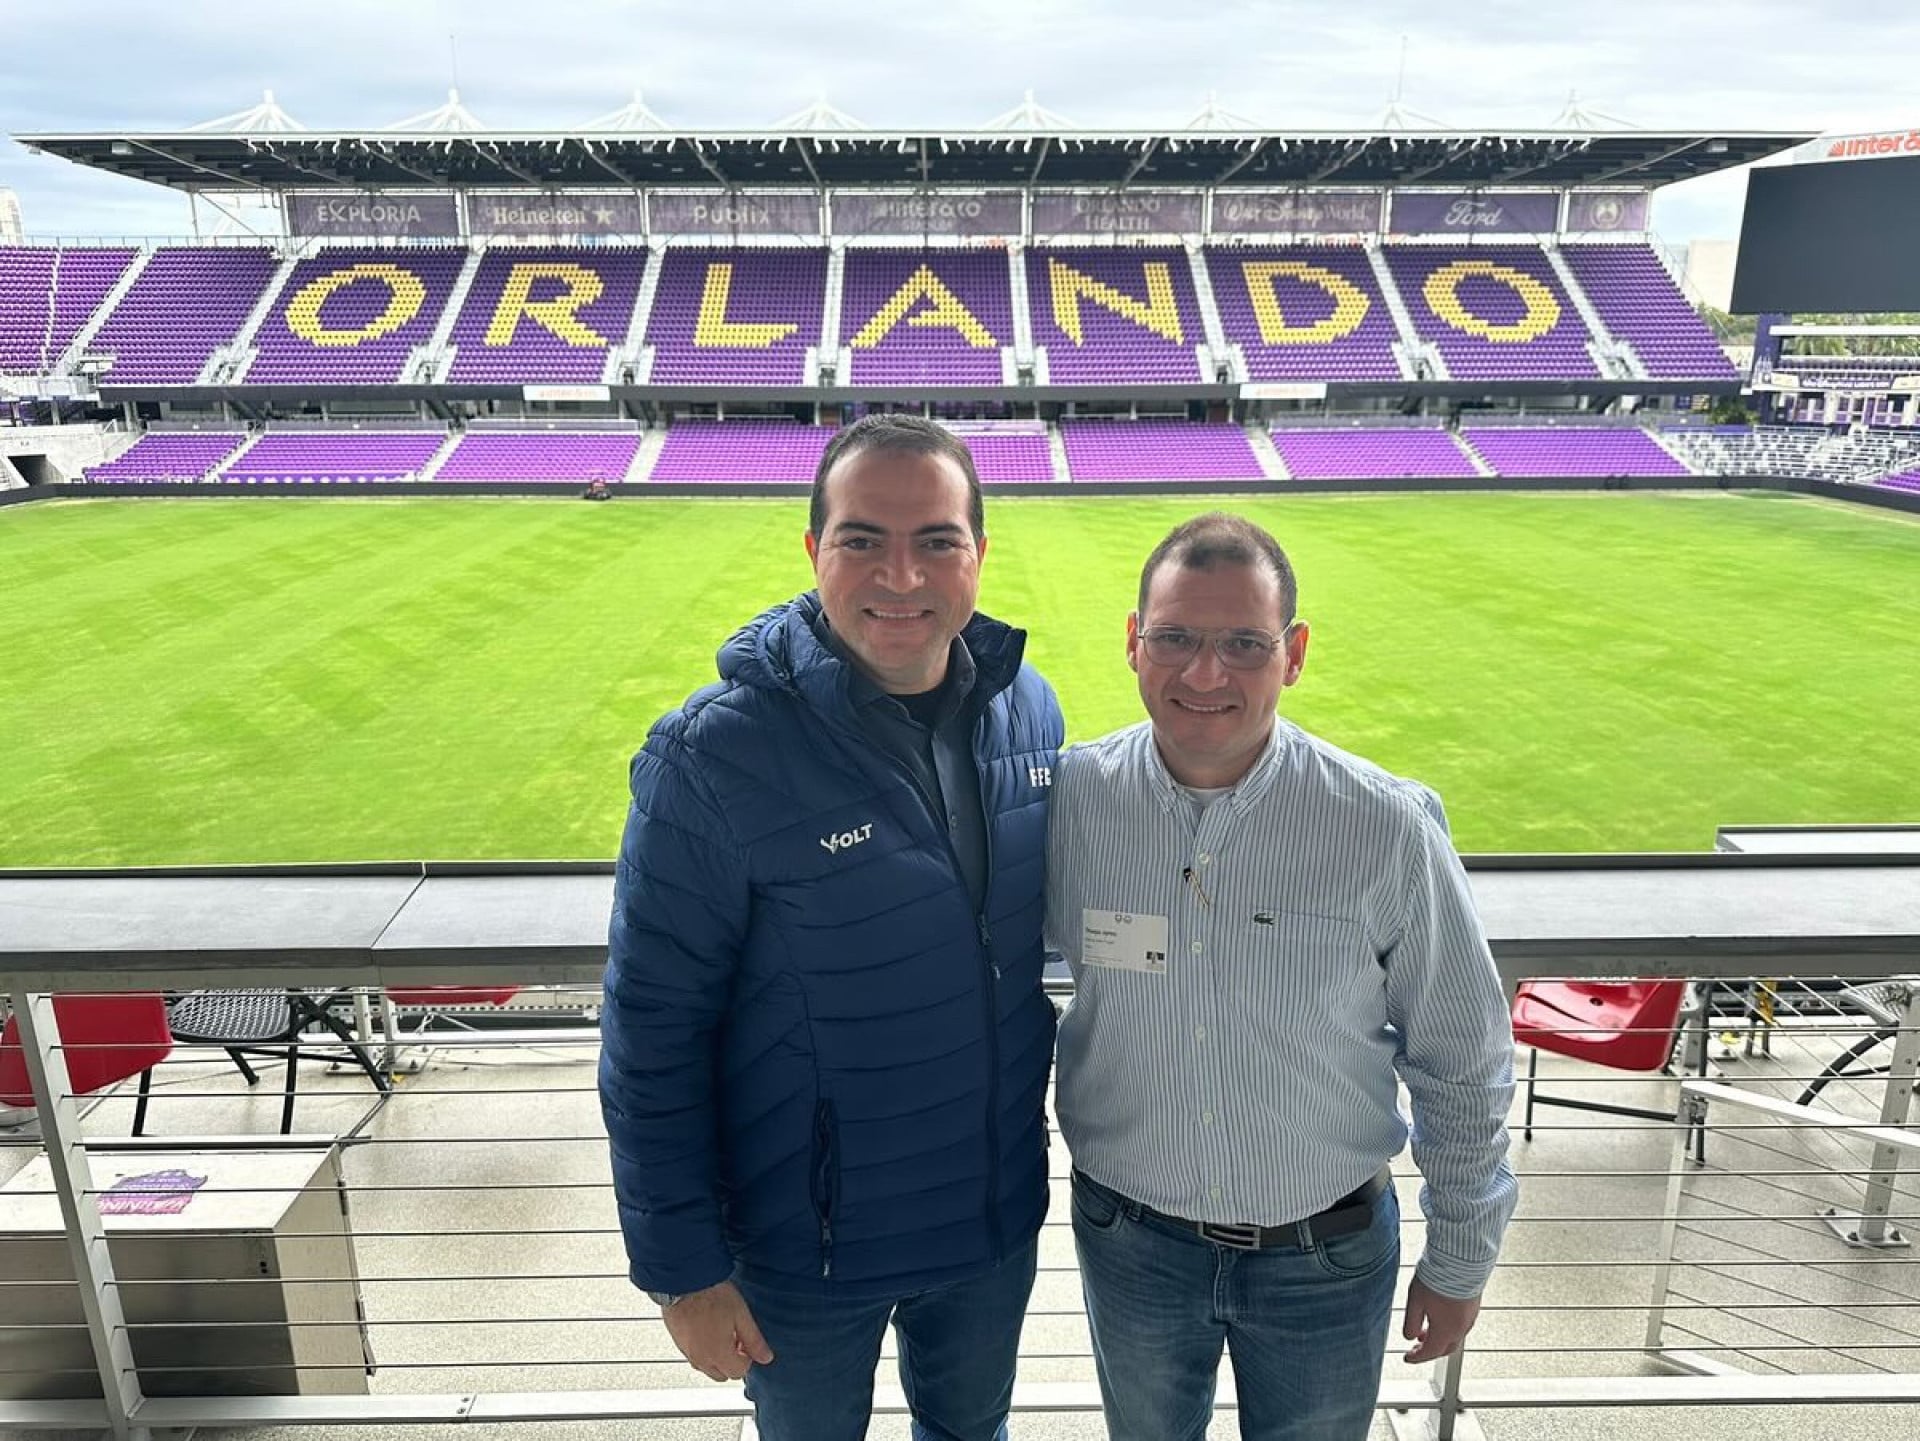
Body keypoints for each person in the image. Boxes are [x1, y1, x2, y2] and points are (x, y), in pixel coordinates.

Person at [600, 413, 1065, 1441]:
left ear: (978, 554)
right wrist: (683, 1270)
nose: (902, 575)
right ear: (814, 551)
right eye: (863, 539)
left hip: (988, 1223)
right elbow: (650, 1032)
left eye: (936, 539)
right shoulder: (709, 759)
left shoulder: (1031, 713)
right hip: (802, 1253)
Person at [1046, 512, 1517, 1441]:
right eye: (1176, 637)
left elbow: (1462, 1056)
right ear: (1134, 642)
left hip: (1326, 1260)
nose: (1204, 673)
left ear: (1293, 653)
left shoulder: (1384, 827)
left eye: (1243, 644)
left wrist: (1461, 1256)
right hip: (1129, 1245)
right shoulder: (1069, 806)